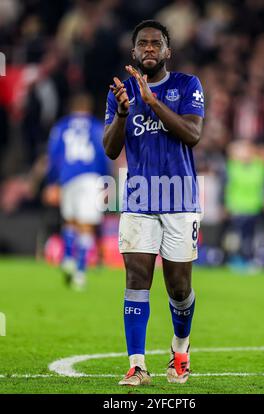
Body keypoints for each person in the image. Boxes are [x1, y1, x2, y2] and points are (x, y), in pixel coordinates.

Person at [103, 20, 204, 385]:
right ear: (133, 52)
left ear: (167, 51)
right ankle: (137, 365)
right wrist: (122, 113)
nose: (149, 48)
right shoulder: (120, 92)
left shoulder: (187, 85)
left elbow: (193, 134)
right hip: (138, 199)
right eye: (142, 43)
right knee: (136, 278)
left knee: (178, 288)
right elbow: (111, 148)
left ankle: (180, 349)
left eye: (155, 43)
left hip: (181, 199)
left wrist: (153, 102)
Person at [44, 92, 109, 290]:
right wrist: (106, 181)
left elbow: (53, 155)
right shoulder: (97, 127)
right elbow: (104, 153)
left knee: (70, 221)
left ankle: (67, 260)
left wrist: (52, 181)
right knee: (86, 225)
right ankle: (80, 272)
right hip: (90, 178)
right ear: (88, 109)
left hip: (67, 177)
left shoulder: (61, 126)